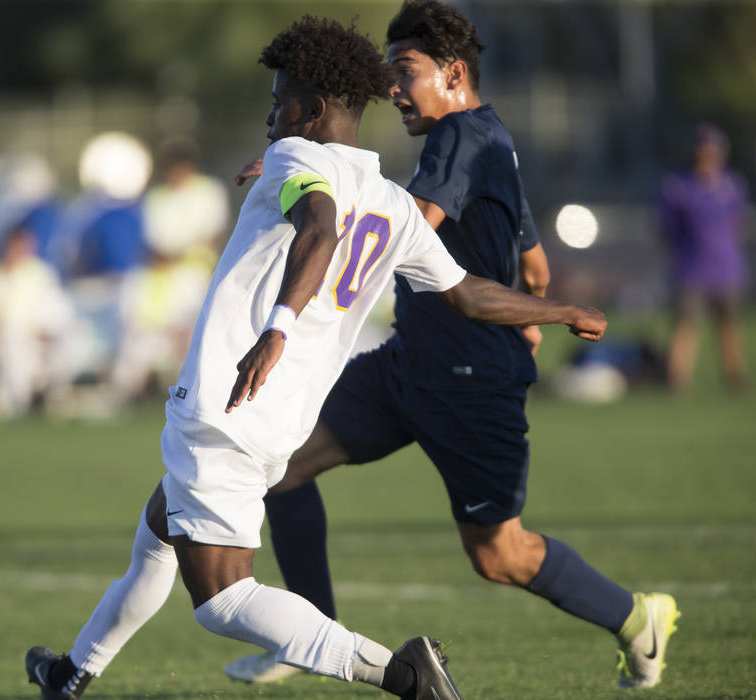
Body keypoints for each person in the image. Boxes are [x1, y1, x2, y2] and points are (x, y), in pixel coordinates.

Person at [24, 15, 607, 700]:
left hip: (227, 403)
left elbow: (321, 225)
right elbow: (468, 294)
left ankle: (404, 672)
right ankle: (72, 674)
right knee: (158, 533)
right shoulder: (393, 203)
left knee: (221, 601)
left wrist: (276, 326)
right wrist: (562, 311)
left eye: (280, 102)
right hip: (278, 423)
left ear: (315, 108)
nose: (272, 116)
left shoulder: (296, 160)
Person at [223, 0, 679, 691]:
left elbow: (409, 225)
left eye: (405, 72)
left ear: (454, 71)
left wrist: (302, 175)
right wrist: (530, 314)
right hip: (411, 365)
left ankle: (636, 617)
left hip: (470, 382)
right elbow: (533, 262)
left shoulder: (461, 138)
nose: (394, 90)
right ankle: (307, 633)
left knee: (499, 556)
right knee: (280, 469)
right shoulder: (491, 138)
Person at [657, 122, 749, 393]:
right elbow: (665, 227)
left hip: (727, 268)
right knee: (686, 326)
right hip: (691, 269)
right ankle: (676, 380)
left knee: (729, 326)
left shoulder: (732, 184)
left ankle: (735, 378)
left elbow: (738, 222)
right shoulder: (678, 185)